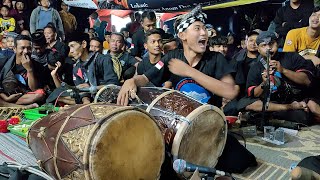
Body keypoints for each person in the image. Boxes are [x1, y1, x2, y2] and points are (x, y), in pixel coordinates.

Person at [118, 6, 257, 174]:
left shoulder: (216, 59)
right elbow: (146, 78)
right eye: (197, 28)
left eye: (205, 29)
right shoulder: (171, 57)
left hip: (207, 126)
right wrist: (131, 81)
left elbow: (230, 91)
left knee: (244, 162)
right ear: (182, 35)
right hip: (176, 127)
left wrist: (188, 71)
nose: (204, 33)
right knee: (158, 168)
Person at [238, 31, 315, 125]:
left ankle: (271, 117)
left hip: (294, 98)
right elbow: (253, 94)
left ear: (277, 43)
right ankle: (289, 108)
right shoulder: (255, 67)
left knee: (303, 116)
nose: (268, 48)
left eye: (271, 44)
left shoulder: (292, 57)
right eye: (264, 45)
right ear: (258, 49)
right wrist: (264, 83)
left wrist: (283, 70)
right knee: (245, 103)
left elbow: (306, 80)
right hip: (273, 104)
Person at [68, 32, 119, 104]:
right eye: (69, 47)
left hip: (108, 102)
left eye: (72, 46)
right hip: (91, 103)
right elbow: (81, 91)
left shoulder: (102, 60)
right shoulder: (76, 67)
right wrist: (86, 101)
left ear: (84, 44)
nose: (71, 51)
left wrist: (92, 88)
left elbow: (113, 85)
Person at [0, 35, 46, 105]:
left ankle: (11, 105)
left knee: (40, 94)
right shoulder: (4, 63)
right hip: (6, 95)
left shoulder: (37, 65)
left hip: (24, 96)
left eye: (29, 48)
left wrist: (29, 70)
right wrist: (6, 98)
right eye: (22, 48)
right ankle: (12, 104)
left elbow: (34, 89)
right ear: (14, 49)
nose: (26, 51)